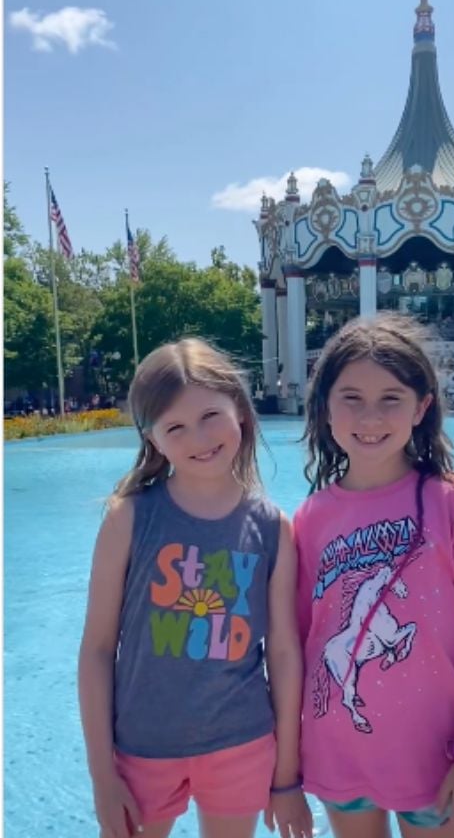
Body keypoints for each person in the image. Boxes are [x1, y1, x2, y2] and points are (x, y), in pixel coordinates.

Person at [293, 312, 454, 838]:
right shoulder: (310, 519)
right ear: (324, 408)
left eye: (391, 399)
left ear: (422, 407)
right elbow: (301, 641)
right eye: (351, 397)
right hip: (337, 752)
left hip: (436, 759)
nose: (370, 416)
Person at [78, 337, 312, 838]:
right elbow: (97, 650)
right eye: (176, 427)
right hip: (141, 746)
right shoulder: (130, 518)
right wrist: (102, 777)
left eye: (210, 416)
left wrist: (287, 774)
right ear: (153, 439)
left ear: (241, 412)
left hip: (242, 743)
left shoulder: (273, 528)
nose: (199, 437)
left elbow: (285, 653)